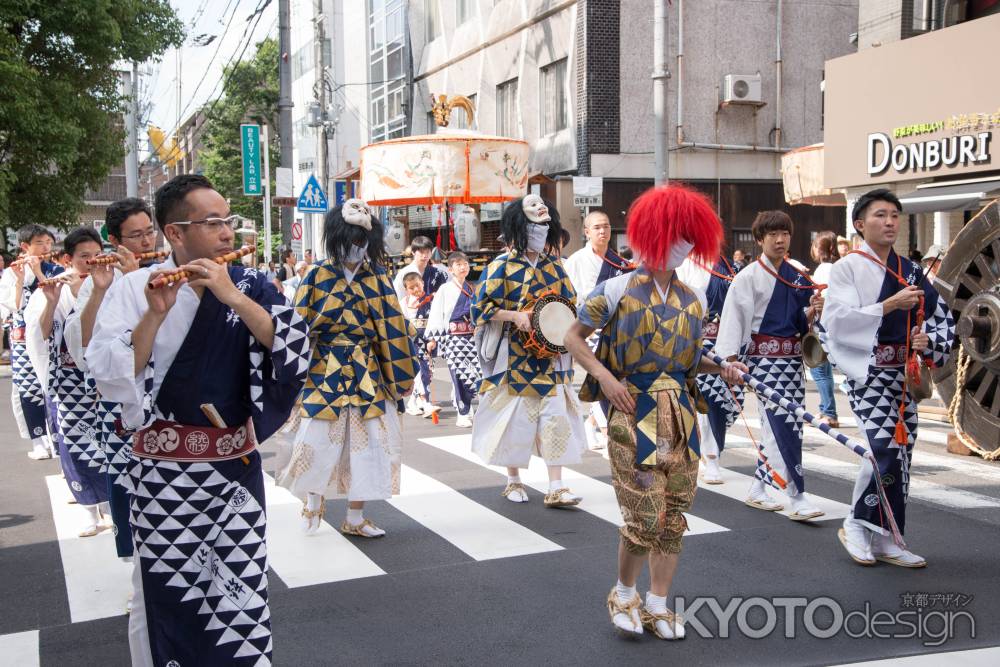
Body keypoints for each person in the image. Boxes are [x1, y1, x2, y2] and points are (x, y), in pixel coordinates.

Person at [86, 174, 309, 666]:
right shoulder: (132, 288)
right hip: (165, 473)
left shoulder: (248, 283)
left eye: (228, 220)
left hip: (234, 470)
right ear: (176, 233)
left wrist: (232, 296)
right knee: (164, 594)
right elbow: (109, 372)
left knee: (241, 593)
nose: (227, 232)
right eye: (212, 223)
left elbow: (292, 351)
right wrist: (154, 315)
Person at [564, 184, 747, 640]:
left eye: (688, 236)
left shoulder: (694, 299)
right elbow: (571, 336)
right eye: (675, 234)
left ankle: (659, 603)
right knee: (645, 515)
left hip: (682, 415)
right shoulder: (615, 288)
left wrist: (722, 369)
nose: (681, 245)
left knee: (675, 514)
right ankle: (624, 593)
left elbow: (689, 357)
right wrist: (605, 378)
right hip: (632, 409)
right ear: (652, 236)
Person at [821, 189, 954, 568]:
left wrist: (926, 339)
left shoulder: (910, 269)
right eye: (881, 215)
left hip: (902, 373)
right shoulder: (847, 267)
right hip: (869, 371)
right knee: (882, 449)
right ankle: (855, 525)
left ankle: (888, 537)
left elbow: (941, 316)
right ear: (860, 225)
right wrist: (889, 305)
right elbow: (836, 321)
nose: (890, 221)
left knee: (902, 453)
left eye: (895, 215)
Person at [278, 198, 417, 539]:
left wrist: (402, 377)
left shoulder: (378, 277)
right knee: (315, 439)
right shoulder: (317, 275)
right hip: (324, 369)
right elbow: (297, 328)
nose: (357, 247)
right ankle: (313, 501)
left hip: (367, 371)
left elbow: (393, 328)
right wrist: (289, 376)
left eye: (362, 241)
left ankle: (355, 516)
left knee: (369, 445)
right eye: (352, 240)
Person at [471, 194, 586, 506]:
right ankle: (513, 479)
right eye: (535, 223)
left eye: (545, 224)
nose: (541, 229)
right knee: (516, 420)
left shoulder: (555, 267)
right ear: (520, 226)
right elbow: (480, 307)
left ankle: (557, 485)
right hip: (514, 356)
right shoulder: (501, 266)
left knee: (555, 418)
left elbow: (570, 305)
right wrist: (514, 316)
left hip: (551, 357)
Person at [64, 197, 158, 560]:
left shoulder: (164, 268)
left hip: (159, 393)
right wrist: (103, 288)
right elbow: (83, 345)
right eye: (135, 236)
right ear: (115, 240)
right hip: (118, 400)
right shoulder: (97, 281)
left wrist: (137, 276)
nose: (146, 242)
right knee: (125, 477)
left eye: (149, 231)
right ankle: (134, 565)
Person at [716, 211, 825, 520]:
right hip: (764, 362)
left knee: (785, 425)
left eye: (785, 234)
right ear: (760, 239)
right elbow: (734, 320)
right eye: (773, 234)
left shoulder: (797, 274)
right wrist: (730, 361)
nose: (780, 240)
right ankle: (797, 495)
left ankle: (758, 489)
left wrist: (813, 311)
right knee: (781, 424)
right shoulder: (748, 276)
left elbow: (799, 322)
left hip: (791, 361)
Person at [25, 227, 112, 536]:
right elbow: (41, 335)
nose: (91, 262)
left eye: (95, 255)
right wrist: (51, 301)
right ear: (67, 259)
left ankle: (112, 506)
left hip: (104, 377)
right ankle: (90, 510)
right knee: (75, 444)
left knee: (109, 443)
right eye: (83, 257)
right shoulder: (53, 288)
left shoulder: (110, 282)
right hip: (69, 381)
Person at [564, 210, 636, 450]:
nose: (602, 231)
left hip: (616, 330)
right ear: (586, 232)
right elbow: (567, 297)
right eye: (596, 227)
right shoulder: (575, 261)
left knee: (617, 379)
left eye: (605, 226)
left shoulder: (619, 263)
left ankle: (594, 422)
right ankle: (608, 433)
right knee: (601, 376)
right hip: (587, 329)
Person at [0, 224, 63, 459]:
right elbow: (13, 307)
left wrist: (39, 273)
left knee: (50, 383)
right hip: (22, 338)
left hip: (48, 335)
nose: (46, 247)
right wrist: (18, 280)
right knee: (28, 387)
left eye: (48, 242)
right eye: (40, 243)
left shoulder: (55, 269)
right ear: (25, 247)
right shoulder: (10, 273)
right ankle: (38, 440)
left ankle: (55, 438)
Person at [691, 253, 744, 484]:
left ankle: (708, 452)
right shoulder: (683, 263)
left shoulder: (728, 266)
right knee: (709, 401)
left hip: (728, 339)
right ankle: (711, 458)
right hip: (698, 340)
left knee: (729, 400)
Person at [427, 251, 482, 428]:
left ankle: (463, 403)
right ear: (450, 269)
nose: (463, 267)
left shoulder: (472, 287)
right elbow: (436, 313)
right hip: (453, 338)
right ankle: (463, 412)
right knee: (459, 374)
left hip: (472, 337)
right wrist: (433, 339)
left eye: (465, 263)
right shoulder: (444, 289)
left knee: (475, 373)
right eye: (458, 264)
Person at [809, 231, 840, 427]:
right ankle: (825, 408)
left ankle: (829, 411)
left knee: (819, 370)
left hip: (822, 325)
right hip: (831, 325)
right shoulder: (837, 267)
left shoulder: (823, 269)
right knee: (824, 370)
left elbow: (823, 297)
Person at [400, 271, 439, 417]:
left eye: (418, 285)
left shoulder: (431, 299)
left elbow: (436, 321)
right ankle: (426, 402)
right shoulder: (403, 303)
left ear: (422, 282)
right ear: (406, 289)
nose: (416, 289)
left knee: (427, 373)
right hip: (413, 342)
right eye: (411, 288)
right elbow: (401, 324)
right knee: (421, 371)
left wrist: (433, 339)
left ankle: (412, 402)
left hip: (428, 340)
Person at [392, 235, 449, 306]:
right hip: (410, 313)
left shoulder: (438, 273)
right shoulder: (404, 273)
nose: (425, 255)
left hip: (434, 313)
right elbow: (398, 296)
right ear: (413, 252)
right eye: (421, 252)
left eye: (428, 252)